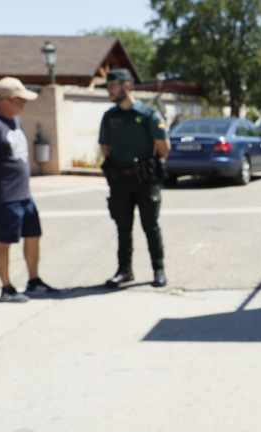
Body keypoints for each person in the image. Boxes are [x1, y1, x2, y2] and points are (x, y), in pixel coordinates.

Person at [0, 77, 59, 302]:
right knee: (4, 241)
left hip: (23, 194)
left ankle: (34, 281)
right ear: (10, 100)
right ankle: (7, 288)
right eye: (21, 100)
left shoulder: (13, 121)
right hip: (3, 195)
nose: (24, 104)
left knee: (33, 235)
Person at [98, 69, 171, 288]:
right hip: (120, 180)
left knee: (150, 225)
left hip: (146, 180)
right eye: (109, 87)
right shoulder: (110, 117)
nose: (110, 91)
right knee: (123, 227)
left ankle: (158, 270)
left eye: (113, 86)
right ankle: (124, 271)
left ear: (127, 86)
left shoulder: (148, 114)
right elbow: (105, 148)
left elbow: (164, 149)